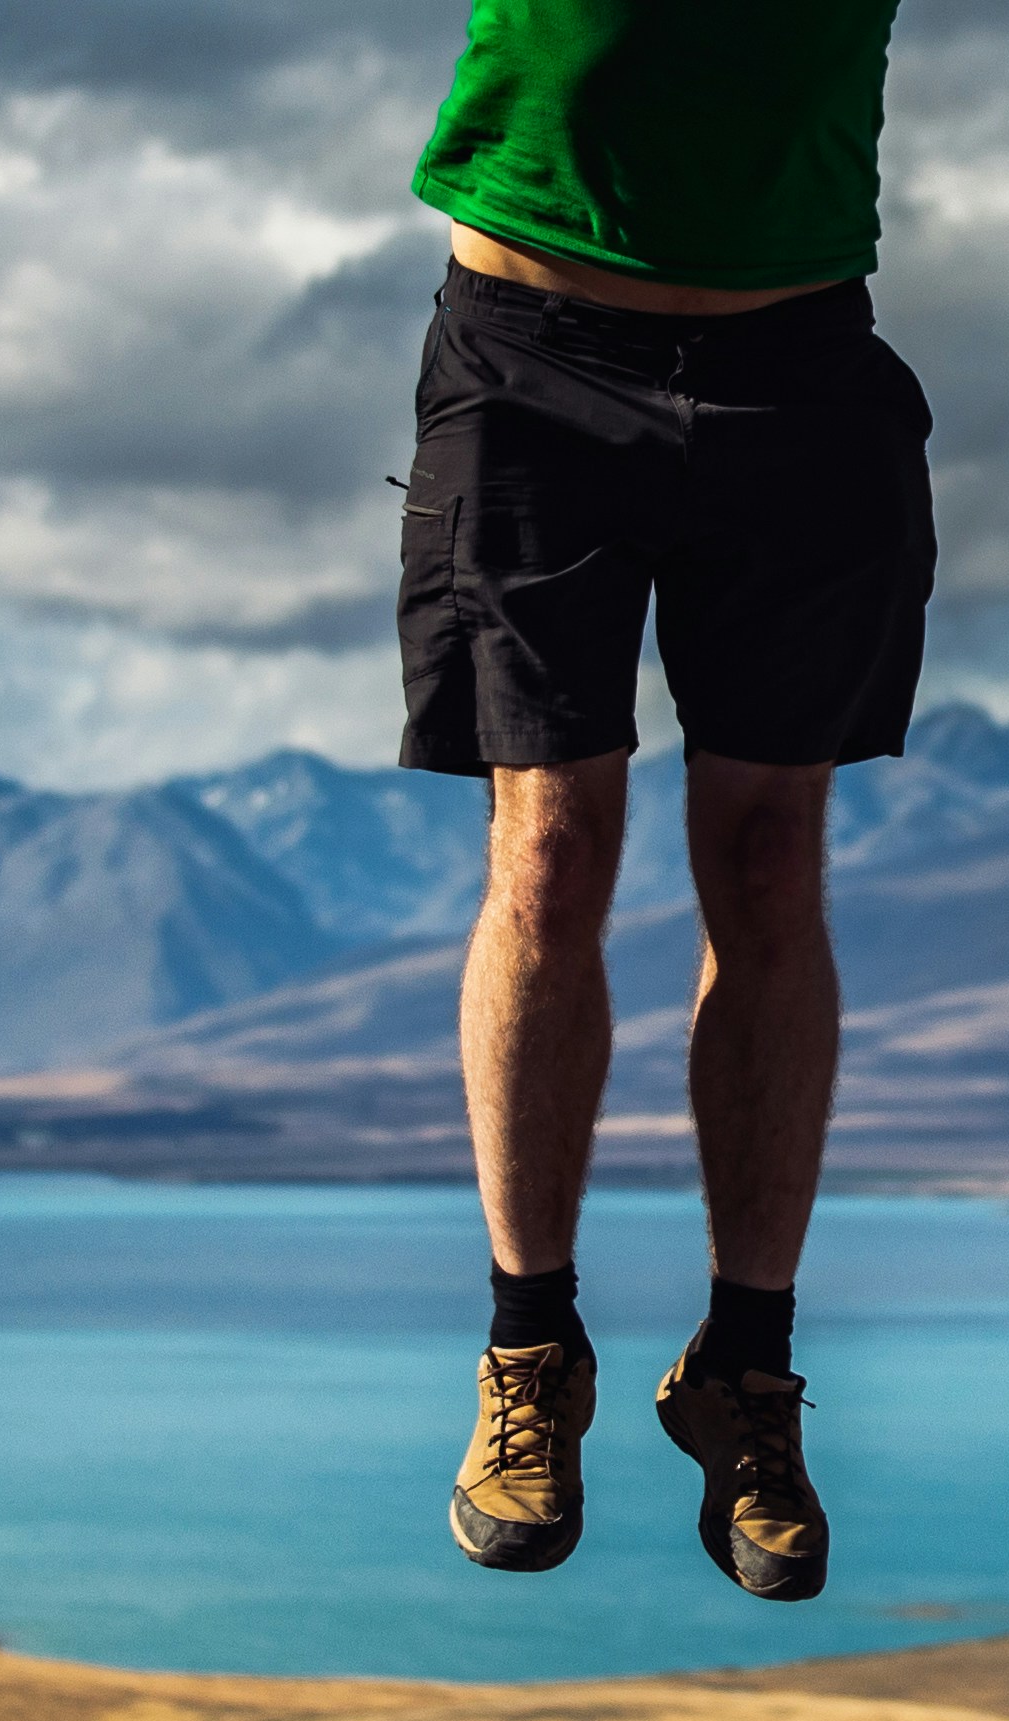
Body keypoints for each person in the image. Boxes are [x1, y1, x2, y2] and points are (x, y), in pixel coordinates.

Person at [394, 0, 932, 1603]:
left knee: (771, 861)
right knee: (553, 840)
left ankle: (742, 1377)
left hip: (800, 362)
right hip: (530, 349)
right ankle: (527, 1348)